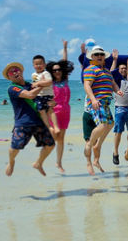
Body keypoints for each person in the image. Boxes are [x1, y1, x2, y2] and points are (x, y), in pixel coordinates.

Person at [3, 62, 55, 176]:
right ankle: (11, 162)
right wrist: (41, 85)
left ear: (21, 72)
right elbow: (30, 95)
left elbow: (42, 99)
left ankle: (38, 163)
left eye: (17, 70)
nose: (16, 72)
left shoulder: (30, 84)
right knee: (15, 148)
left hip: (38, 122)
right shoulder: (13, 88)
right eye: (12, 72)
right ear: (9, 77)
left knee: (50, 145)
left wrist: (52, 103)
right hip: (23, 123)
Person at [83, 45, 122, 175]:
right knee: (103, 124)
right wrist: (93, 99)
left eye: (101, 54)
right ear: (92, 57)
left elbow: (113, 84)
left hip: (105, 104)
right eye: (96, 55)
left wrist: (118, 91)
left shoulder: (106, 71)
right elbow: (87, 85)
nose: (99, 56)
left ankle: (97, 145)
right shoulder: (91, 69)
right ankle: (91, 144)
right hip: (96, 103)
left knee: (111, 124)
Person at [45, 40, 75, 173]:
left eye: (59, 70)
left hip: (66, 112)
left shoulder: (65, 80)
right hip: (53, 112)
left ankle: (59, 163)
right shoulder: (49, 82)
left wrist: (65, 48)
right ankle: (42, 158)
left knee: (61, 138)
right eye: (54, 70)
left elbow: (64, 60)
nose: (57, 71)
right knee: (54, 135)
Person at [110, 49, 128, 165]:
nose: (123, 70)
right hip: (120, 108)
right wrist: (114, 60)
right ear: (119, 70)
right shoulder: (116, 81)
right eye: (121, 68)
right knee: (118, 132)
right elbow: (111, 72)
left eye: (125, 68)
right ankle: (115, 153)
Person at [32, 55, 61, 137]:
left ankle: (56, 126)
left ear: (44, 65)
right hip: (38, 96)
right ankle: (49, 127)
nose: (38, 66)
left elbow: (49, 82)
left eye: (40, 64)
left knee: (50, 110)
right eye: (36, 64)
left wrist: (38, 83)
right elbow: (34, 84)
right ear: (33, 65)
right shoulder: (33, 74)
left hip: (47, 95)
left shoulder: (46, 73)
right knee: (41, 111)